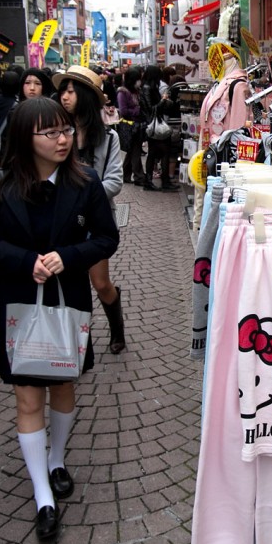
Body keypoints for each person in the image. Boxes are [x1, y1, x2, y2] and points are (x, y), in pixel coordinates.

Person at [0, 96, 119, 541]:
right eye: (50, 132)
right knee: (27, 398)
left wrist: (66, 257)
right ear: (24, 137)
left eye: (66, 130)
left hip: (66, 301)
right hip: (15, 303)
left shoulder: (85, 181)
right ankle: (43, 496)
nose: (62, 139)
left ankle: (57, 460)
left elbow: (106, 237)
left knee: (65, 384)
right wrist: (24, 261)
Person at [52, 66, 126, 354]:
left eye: (71, 91)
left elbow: (114, 181)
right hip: (60, 222)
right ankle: (76, 343)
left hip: (95, 223)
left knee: (100, 282)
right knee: (67, 284)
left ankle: (117, 329)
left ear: (84, 96)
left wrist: (84, 201)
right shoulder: (58, 135)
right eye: (63, 91)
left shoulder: (109, 138)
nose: (65, 96)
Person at [140, 65, 178, 191]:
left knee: (154, 153)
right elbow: (152, 109)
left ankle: (152, 181)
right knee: (162, 153)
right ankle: (162, 182)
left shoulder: (150, 87)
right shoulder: (147, 89)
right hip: (155, 125)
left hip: (154, 125)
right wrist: (163, 100)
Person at [117, 66, 147, 185]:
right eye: (137, 79)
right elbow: (123, 111)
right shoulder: (122, 92)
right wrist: (137, 110)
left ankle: (126, 175)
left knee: (132, 150)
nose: (139, 82)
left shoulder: (137, 91)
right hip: (130, 126)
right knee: (135, 150)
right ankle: (139, 176)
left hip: (138, 125)